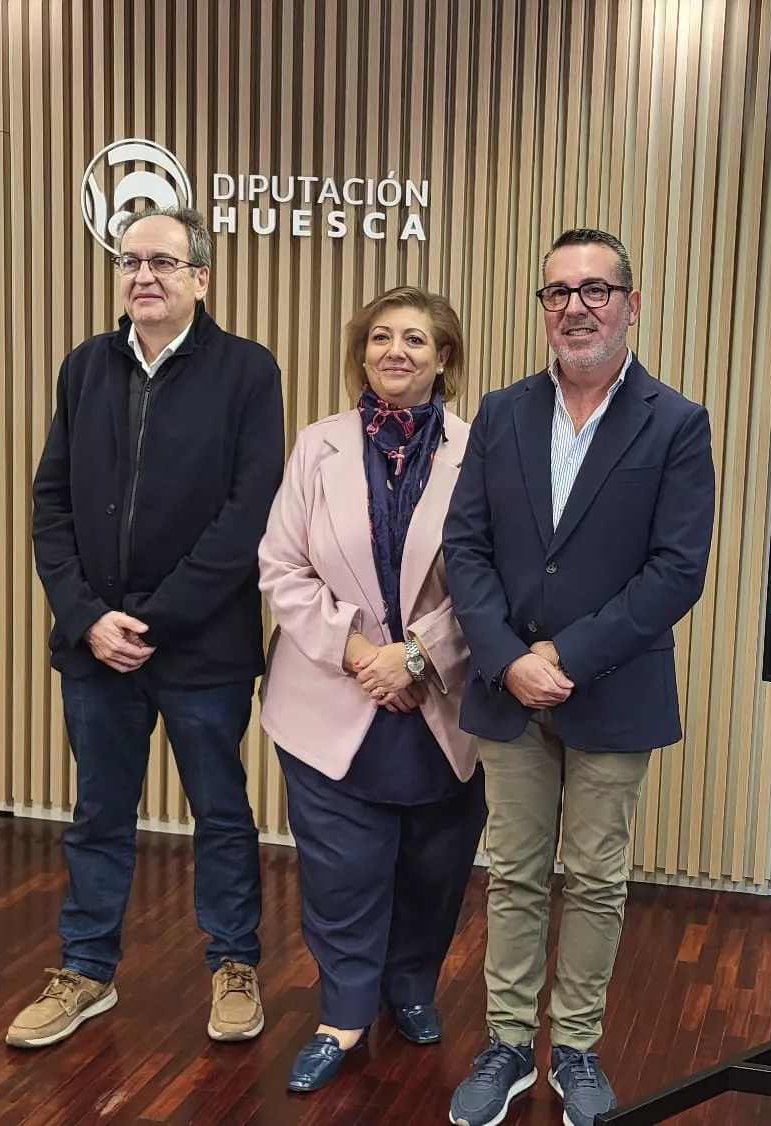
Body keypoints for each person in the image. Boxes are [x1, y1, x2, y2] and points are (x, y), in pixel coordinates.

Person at [442, 228, 716, 1126]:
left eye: (596, 290)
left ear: (631, 305)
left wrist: (561, 655)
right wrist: (508, 657)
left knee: (595, 877)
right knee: (517, 873)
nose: (576, 307)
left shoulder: (675, 423)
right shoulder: (501, 412)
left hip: (614, 689)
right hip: (506, 690)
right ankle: (509, 1044)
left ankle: (580, 1049)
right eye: (557, 292)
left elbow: (676, 572)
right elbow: (466, 548)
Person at [11, 205, 285, 1050]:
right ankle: (86, 971)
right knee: (99, 814)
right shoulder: (85, 368)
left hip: (200, 644)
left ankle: (234, 965)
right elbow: (49, 505)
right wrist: (89, 619)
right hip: (97, 649)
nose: (143, 276)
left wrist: (153, 618)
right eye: (130, 261)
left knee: (222, 813)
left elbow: (248, 516)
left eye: (163, 262)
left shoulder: (247, 371)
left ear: (201, 277)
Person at [255, 287, 487, 1093]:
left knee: (435, 864)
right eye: (381, 337)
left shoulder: (479, 451)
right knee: (342, 870)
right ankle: (344, 1013)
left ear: (444, 357)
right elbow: (280, 568)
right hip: (332, 691)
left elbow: (494, 585)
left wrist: (417, 658)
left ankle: (412, 988)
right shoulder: (317, 447)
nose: (396, 351)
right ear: (362, 353)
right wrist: (361, 653)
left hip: (441, 700)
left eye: (416, 339)